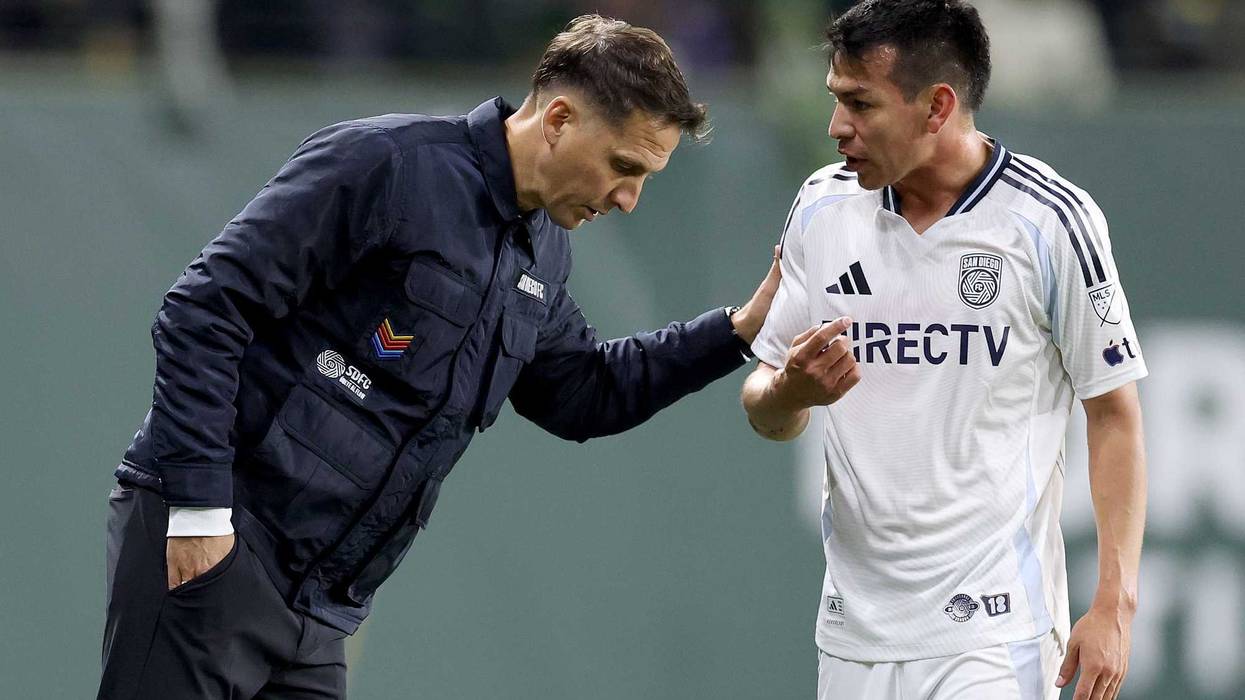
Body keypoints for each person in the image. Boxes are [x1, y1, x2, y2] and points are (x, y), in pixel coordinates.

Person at [98, 15, 788, 699]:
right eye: (623, 166)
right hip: (218, 545)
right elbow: (205, 307)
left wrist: (738, 329)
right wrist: (197, 513)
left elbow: (584, 391)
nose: (629, 199)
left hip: (320, 609)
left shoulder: (543, 249)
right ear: (557, 120)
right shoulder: (386, 164)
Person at [741, 2, 1147, 699]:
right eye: (836, 101)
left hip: (993, 636)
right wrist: (790, 394)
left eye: (859, 104)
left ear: (936, 107)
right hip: (851, 636)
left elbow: (1113, 413)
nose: (837, 127)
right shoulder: (819, 208)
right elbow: (764, 405)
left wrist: (1114, 603)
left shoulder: (1049, 222)